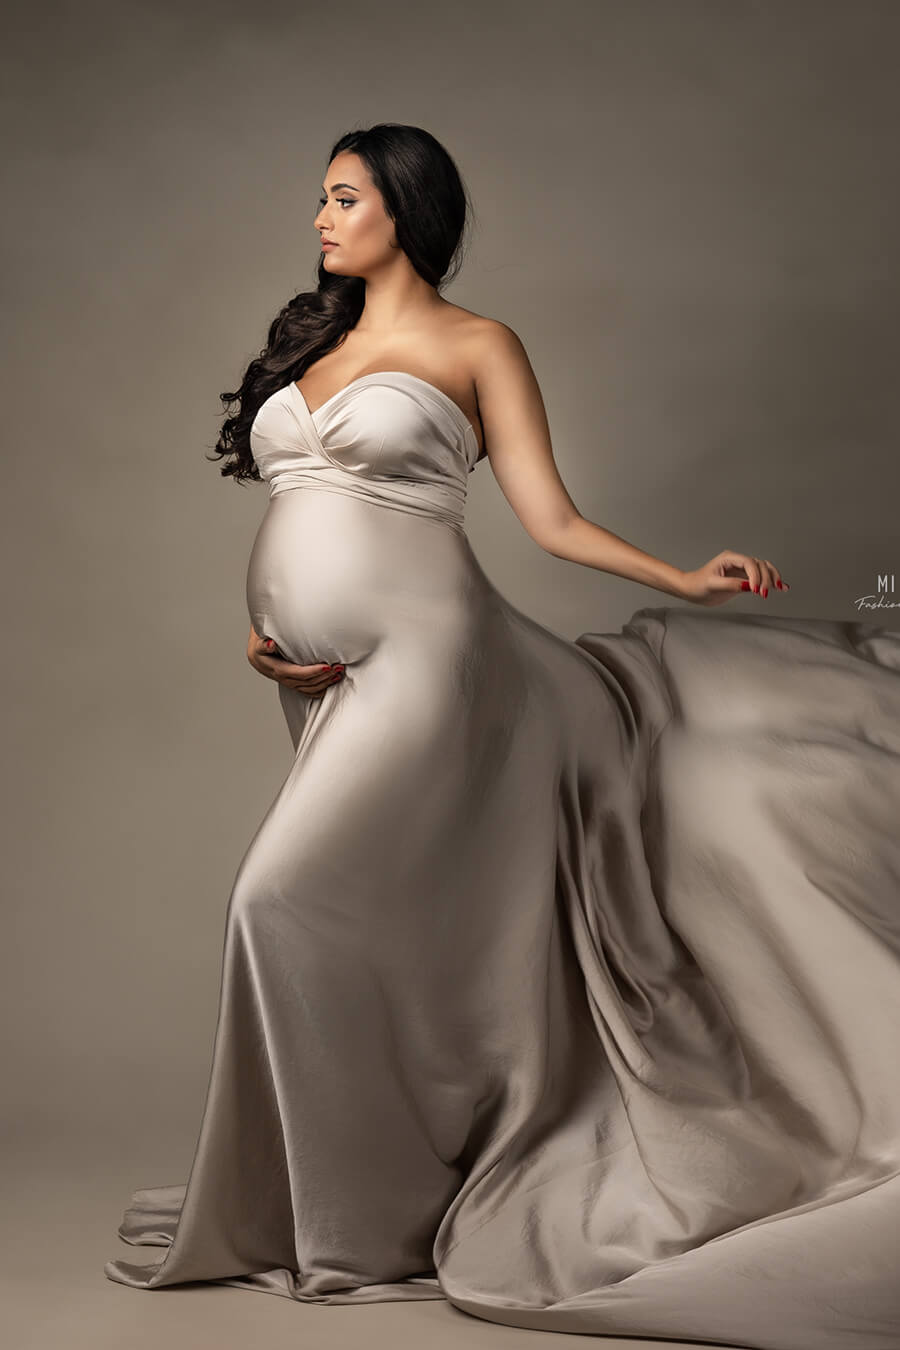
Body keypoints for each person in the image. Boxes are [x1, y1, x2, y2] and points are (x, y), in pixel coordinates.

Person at [104, 123, 900, 1350]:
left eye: (346, 198)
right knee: (384, 922)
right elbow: (302, 510)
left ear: (405, 211)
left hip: (432, 657)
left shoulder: (479, 346)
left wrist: (683, 578)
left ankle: (344, 1227)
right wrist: (262, 641)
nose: (321, 220)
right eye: (320, 200)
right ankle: (360, 1199)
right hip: (314, 677)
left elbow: (552, 516)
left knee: (279, 901)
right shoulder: (314, 341)